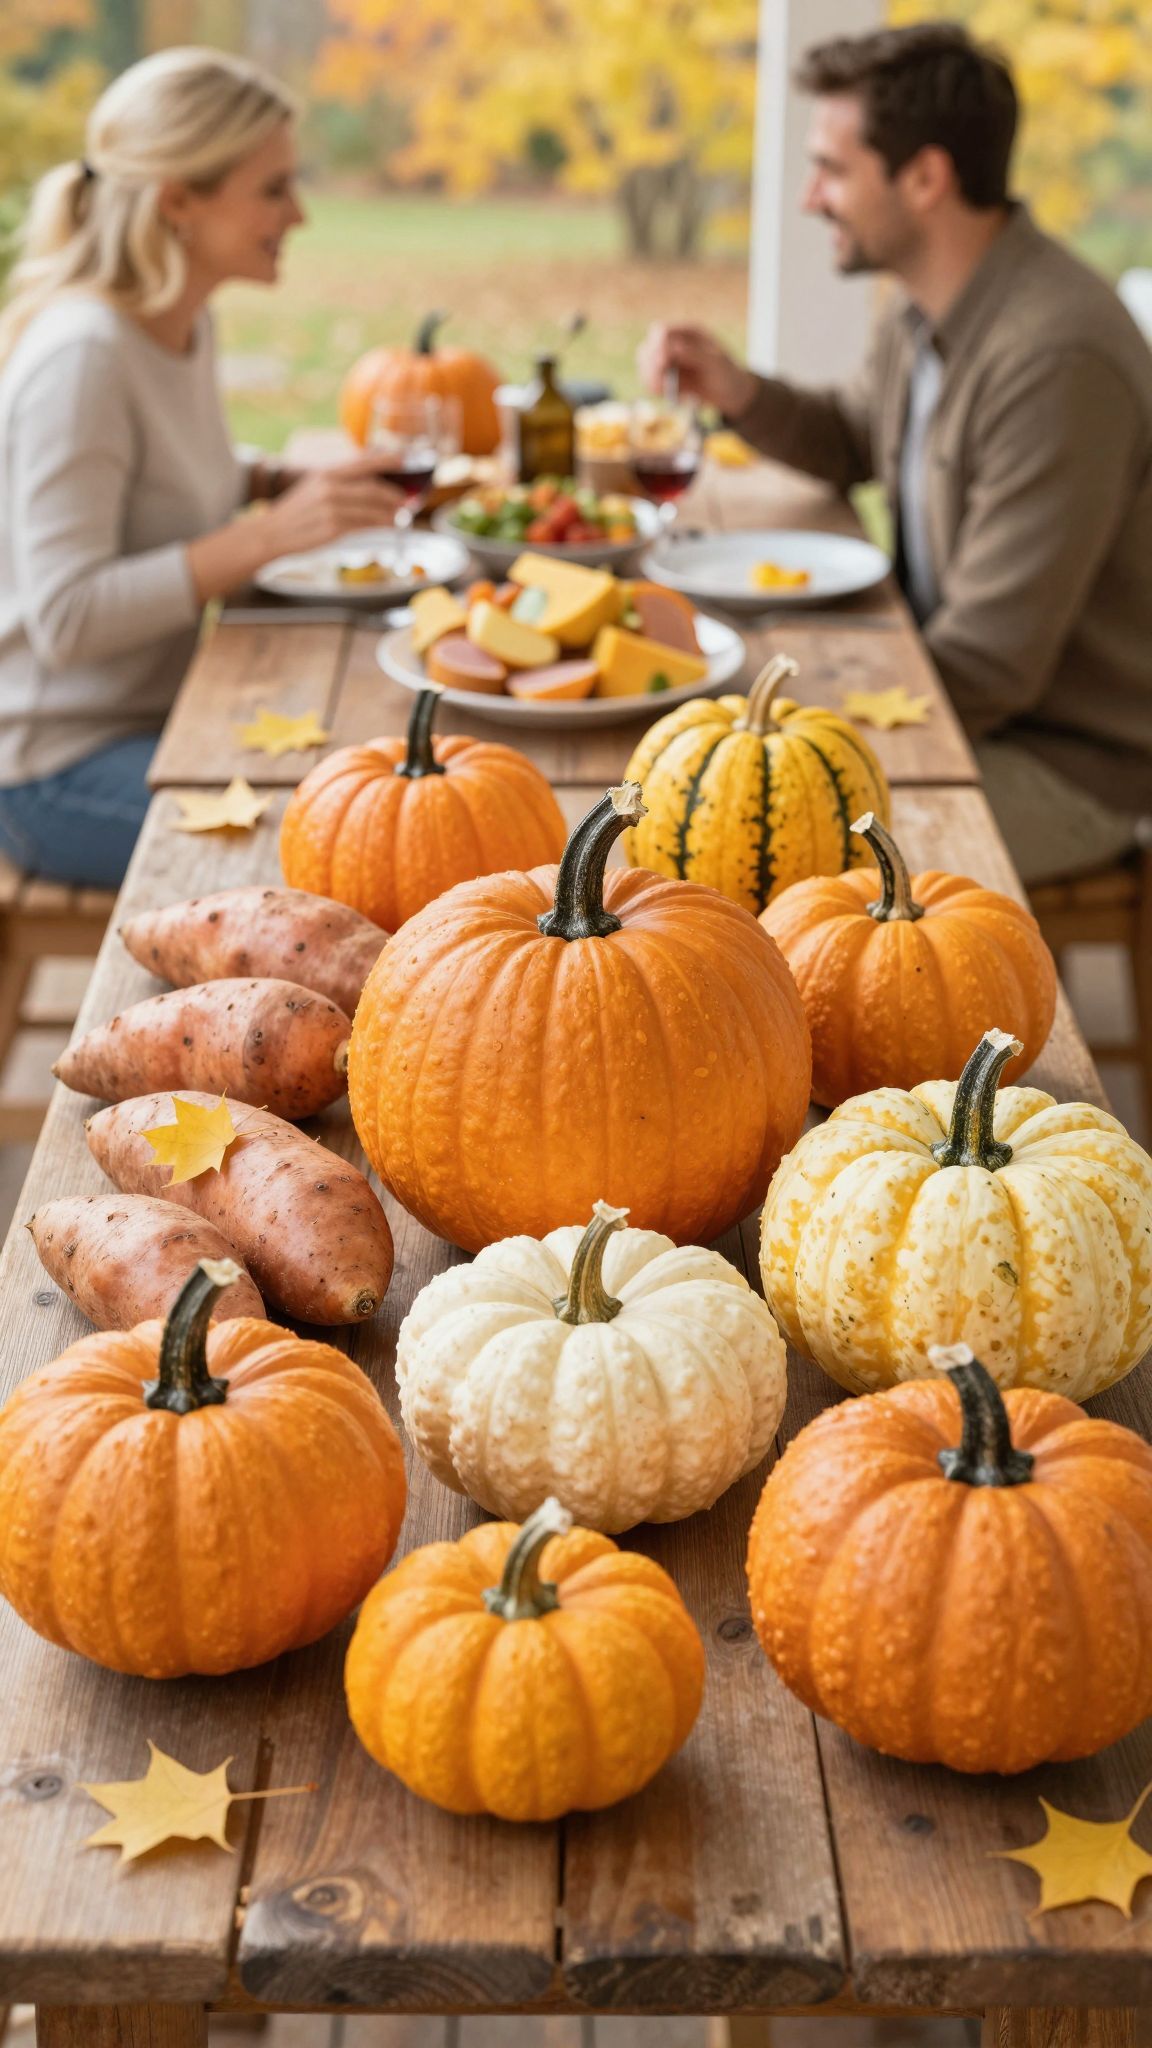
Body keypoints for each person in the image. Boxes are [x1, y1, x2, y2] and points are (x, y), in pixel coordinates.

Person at [640, 22, 1152, 886]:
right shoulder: (931, 307)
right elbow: (851, 436)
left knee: (741, 859)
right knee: (696, 816)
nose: (810, 198)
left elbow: (992, 662)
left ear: (925, 178)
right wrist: (737, 390)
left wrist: (771, 740)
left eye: (832, 169)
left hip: (1060, 763)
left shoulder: (1055, 358)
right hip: (956, 712)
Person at [0, 48, 403, 889]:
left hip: (166, 718)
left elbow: (169, 473)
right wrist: (264, 537)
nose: (299, 215)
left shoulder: (177, 323)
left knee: (381, 801)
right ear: (179, 200)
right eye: (273, 188)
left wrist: (271, 481)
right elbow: (65, 617)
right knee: (348, 855)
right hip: (51, 768)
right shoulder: (84, 357)